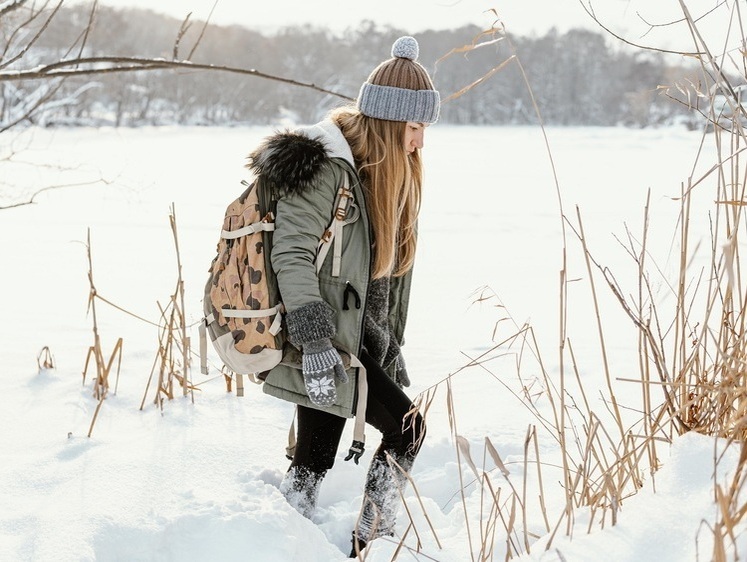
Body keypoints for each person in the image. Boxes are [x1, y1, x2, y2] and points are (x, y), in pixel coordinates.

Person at [248, 35, 439, 557]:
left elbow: (378, 279)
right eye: (416, 128)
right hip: (324, 339)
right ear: (390, 123)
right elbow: (289, 255)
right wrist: (314, 344)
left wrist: (383, 347)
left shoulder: (376, 176)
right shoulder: (328, 171)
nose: (421, 142)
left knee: (311, 460)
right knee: (409, 430)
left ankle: (278, 542)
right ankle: (373, 540)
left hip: (351, 339)